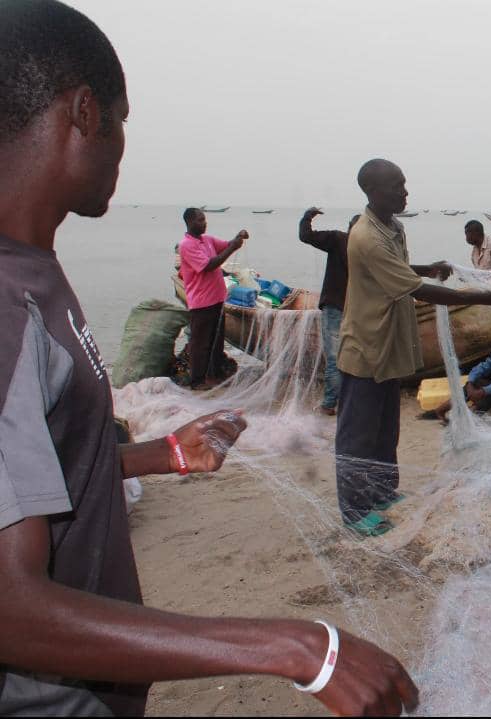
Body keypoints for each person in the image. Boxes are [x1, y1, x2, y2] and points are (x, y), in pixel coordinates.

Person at [0, 3, 417, 716]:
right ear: (83, 113)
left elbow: (41, 468)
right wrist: (295, 647)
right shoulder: (9, 304)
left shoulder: (37, 268)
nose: (126, 147)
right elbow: (11, 605)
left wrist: (161, 453)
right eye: (123, 120)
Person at [335, 159, 491, 536]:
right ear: (372, 192)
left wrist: (424, 267)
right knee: (358, 434)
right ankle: (355, 511)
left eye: (404, 185)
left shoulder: (393, 227)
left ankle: (382, 492)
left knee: (386, 428)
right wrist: (485, 297)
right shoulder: (366, 236)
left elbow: (400, 270)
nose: (405, 193)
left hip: (390, 345)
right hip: (366, 348)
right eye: (396, 187)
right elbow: (414, 289)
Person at [299, 207, 361, 416]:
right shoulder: (368, 250)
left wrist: (307, 216)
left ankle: (329, 404)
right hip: (358, 310)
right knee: (353, 356)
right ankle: (350, 400)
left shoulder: (338, 239)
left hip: (335, 307)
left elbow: (305, 236)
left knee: (335, 358)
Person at [178, 208, 247, 390]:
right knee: (200, 344)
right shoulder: (186, 245)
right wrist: (232, 248)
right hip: (201, 303)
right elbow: (209, 265)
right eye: (200, 220)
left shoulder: (207, 240)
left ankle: (214, 375)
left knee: (216, 342)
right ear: (190, 222)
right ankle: (197, 381)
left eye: (205, 219)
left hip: (217, 299)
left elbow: (226, 245)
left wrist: (238, 237)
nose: (204, 223)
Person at [429, 328, 491, 422]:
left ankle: (469, 416)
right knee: (478, 382)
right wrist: (470, 383)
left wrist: (483, 391)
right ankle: (441, 410)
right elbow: (481, 367)